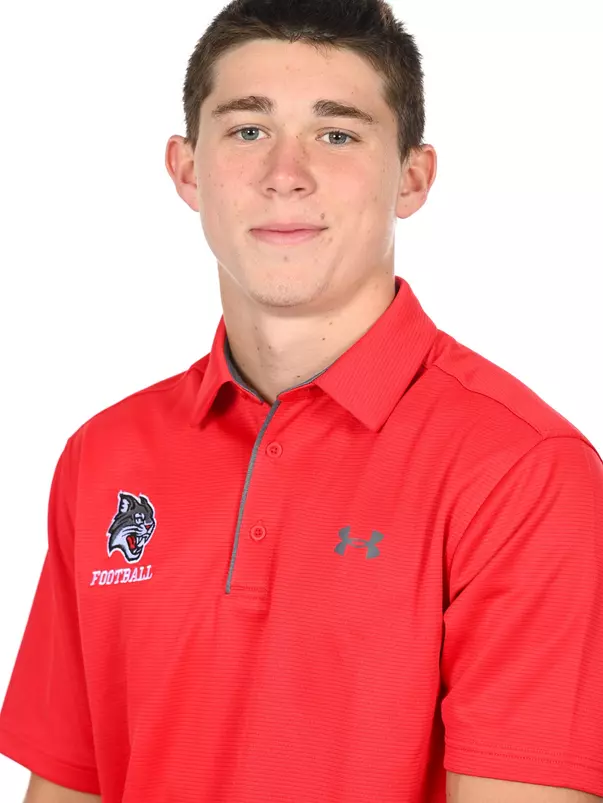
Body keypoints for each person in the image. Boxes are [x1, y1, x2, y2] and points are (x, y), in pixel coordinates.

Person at [1, 1, 602, 801]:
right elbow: (68, 785)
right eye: (248, 129)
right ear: (185, 169)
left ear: (413, 177)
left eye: (337, 133)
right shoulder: (103, 454)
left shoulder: (523, 473)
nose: (286, 171)